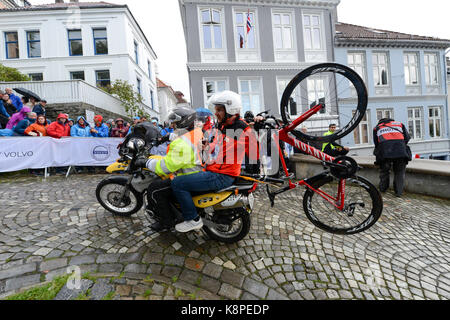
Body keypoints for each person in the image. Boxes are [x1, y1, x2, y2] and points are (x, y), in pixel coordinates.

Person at [170, 91, 252, 233]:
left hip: (221, 175)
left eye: (219, 110)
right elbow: (218, 145)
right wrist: (207, 145)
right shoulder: (224, 126)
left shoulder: (241, 128)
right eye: (216, 110)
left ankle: (192, 219)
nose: (216, 113)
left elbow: (254, 148)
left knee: (177, 183)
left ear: (230, 109)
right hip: (216, 170)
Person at [135, 108, 202, 232]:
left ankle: (166, 222)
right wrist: (167, 137)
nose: (172, 125)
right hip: (198, 172)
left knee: (154, 189)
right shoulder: (197, 133)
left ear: (183, 123)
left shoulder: (182, 143)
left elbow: (165, 167)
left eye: (174, 123)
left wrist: (146, 161)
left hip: (187, 176)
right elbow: (182, 137)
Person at [373, 118, 411, 197]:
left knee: (384, 171)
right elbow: (407, 138)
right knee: (399, 172)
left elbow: (376, 144)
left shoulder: (377, 128)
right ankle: (398, 192)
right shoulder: (399, 124)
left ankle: (383, 189)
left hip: (385, 152)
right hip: (400, 151)